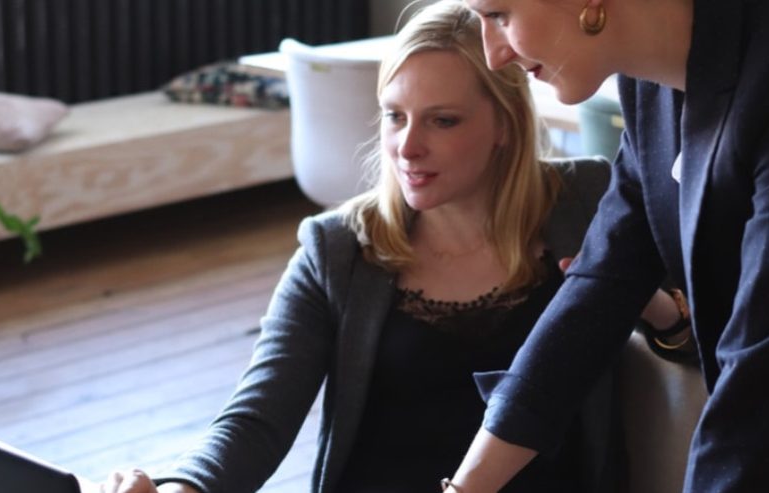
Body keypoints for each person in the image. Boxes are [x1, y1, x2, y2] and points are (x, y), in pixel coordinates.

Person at [98, 1, 687, 492]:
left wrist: (648, 305)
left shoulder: (587, 199)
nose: (407, 147)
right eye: (394, 116)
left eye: (443, 121)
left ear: (505, 124)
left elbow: (696, 346)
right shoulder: (336, 250)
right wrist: (182, 488)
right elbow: (257, 419)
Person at [447, 0, 769, 491]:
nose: (493, 54)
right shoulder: (652, 80)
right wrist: (466, 486)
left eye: (499, 15)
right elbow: (603, 281)